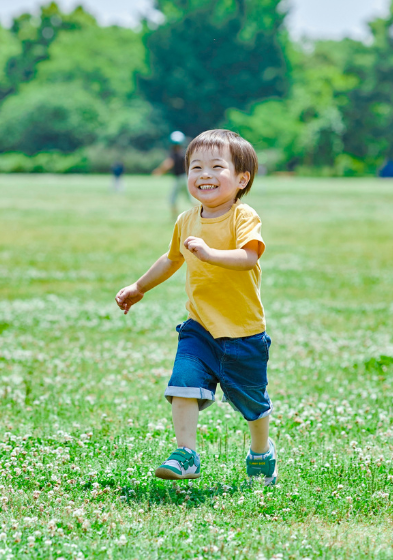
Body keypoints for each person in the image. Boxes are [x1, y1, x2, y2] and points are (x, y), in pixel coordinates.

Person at [115, 129, 277, 486]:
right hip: (199, 327)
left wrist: (210, 253)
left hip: (242, 332)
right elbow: (172, 259)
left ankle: (261, 452)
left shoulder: (242, 216)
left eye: (217, 166)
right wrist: (139, 286)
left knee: (253, 403)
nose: (204, 174)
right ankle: (186, 453)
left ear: (241, 179)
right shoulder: (186, 220)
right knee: (184, 385)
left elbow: (249, 257)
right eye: (195, 167)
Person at [153, 132, 190, 219]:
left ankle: (174, 217)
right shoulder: (184, 153)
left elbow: (168, 163)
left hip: (179, 179)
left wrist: (159, 171)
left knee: (172, 199)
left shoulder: (175, 154)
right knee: (191, 199)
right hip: (185, 178)